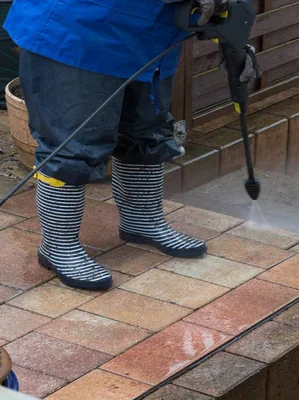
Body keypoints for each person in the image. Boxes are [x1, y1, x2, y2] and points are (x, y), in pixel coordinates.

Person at [3, 0, 227, 290]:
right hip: (78, 30)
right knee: (71, 146)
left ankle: (142, 221)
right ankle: (58, 246)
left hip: (152, 33)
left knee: (146, 129)